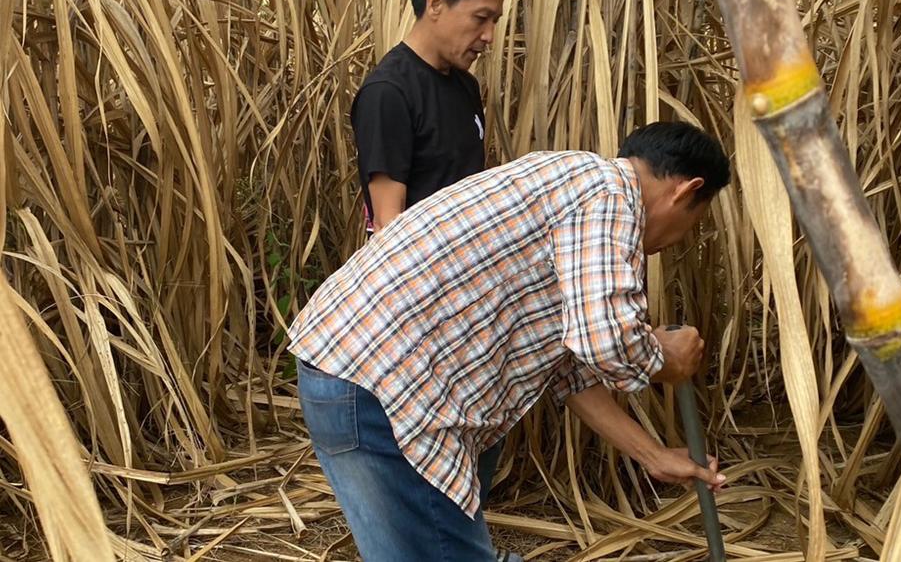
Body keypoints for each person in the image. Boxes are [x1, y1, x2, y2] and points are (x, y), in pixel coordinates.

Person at [288, 122, 732, 561]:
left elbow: (571, 365)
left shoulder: (567, 184)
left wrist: (651, 454)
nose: (678, 240)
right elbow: (607, 339)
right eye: (692, 222)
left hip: (353, 372)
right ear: (685, 190)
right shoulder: (610, 194)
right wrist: (664, 360)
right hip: (386, 388)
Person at [352, 0, 512, 233]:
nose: (489, 35)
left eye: (494, 21)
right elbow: (389, 225)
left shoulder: (466, 86)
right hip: (419, 274)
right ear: (435, 3)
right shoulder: (388, 93)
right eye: (480, 18)